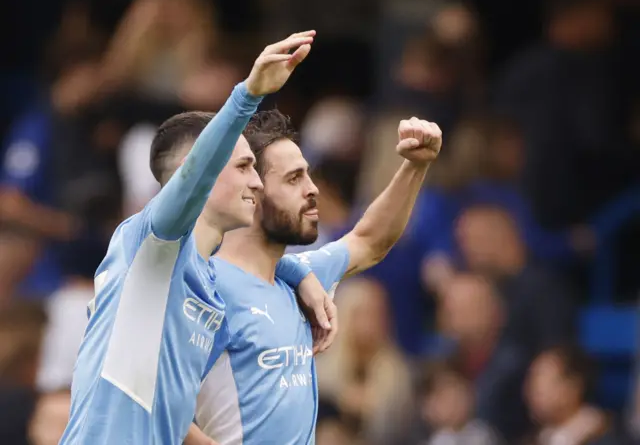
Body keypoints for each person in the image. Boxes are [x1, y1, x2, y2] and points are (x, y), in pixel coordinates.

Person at [59, 31, 321, 445]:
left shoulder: (210, 285)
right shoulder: (150, 245)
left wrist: (297, 273)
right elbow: (190, 185)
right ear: (195, 168)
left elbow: (172, 417)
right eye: (243, 166)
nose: (256, 182)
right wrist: (248, 94)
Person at [188, 111, 442, 444]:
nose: (313, 190)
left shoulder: (298, 278)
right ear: (251, 192)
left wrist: (415, 165)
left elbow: (369, 241)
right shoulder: (204, 286)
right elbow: (153, 401)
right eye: (294, 179)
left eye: (308, 176)